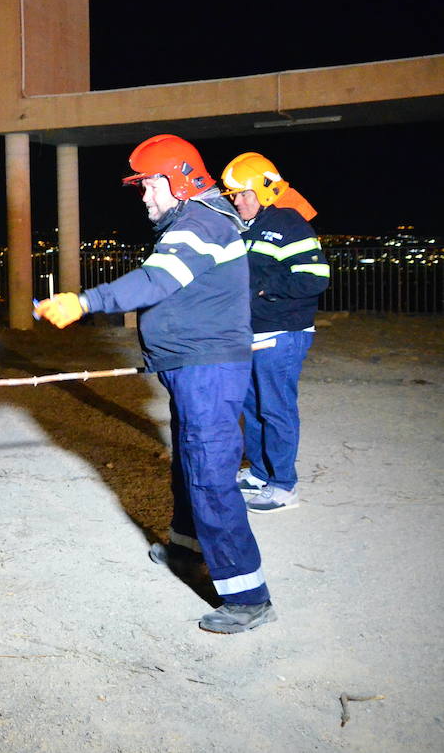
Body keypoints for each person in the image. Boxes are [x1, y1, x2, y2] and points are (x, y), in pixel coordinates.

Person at [35, 134, 275, 634]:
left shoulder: (201, 222)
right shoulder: (196, 220)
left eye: (148, 185)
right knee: (191, 461)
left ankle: (247, 596)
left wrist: (84, 302)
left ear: (177, 181)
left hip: (207, 368)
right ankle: (187, 549)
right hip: (191, 365)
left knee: (209, 472)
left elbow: (156, 281)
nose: (144, 196)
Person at [220, 151, 329, 514]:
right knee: (253, 408)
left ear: (265, 190)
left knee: (276, 409)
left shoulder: (290, 224)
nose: (237, 200)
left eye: (242, 193)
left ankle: (284, 486)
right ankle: (261, 473)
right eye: (233, 195)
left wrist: (263, 289)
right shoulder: (250, 227)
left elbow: (316, 278)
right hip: (255, 333)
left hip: (283, 333)